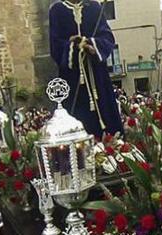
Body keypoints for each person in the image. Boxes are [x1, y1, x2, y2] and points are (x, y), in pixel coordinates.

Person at [48, 0, 123, 137]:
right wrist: (74, 46)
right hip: (72, 77)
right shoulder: (57, 10)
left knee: (106, 114)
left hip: (97, 75)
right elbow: (55, 45)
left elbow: (107, 36)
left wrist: (91, 45)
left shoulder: (94, 7)